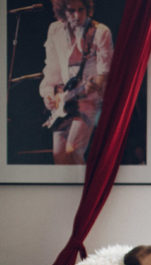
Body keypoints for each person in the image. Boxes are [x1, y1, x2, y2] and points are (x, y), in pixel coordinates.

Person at [38, 0, 113, 165]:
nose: (77, 15)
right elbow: (52, 69)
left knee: (72, 151)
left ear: (88, 8)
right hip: (64, 101)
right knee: (59, 156)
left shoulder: (100, 32)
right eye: (71, 11)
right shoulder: (55, 30)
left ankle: (83, 189)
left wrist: (95, 84)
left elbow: (104, 74)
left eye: (81, 10)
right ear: (62, 11)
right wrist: (49, 94)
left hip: (88, 100)